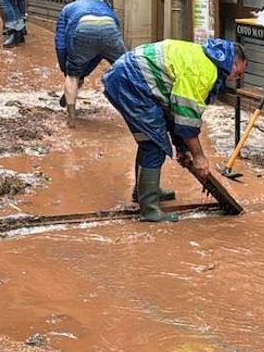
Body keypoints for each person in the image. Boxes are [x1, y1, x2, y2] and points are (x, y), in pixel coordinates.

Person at [102, 38, 247, 222]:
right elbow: (186, 119)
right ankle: (149, 210)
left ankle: (145, 192)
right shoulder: (204, 72)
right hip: (131, 81)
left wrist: (181, 147)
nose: (237, 78)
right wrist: (199, 157)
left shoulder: (206, 59)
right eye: (239, 72)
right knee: (153, 144)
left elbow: (173, 110)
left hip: (129, 77)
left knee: (149, 138)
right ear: (233, 63)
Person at [54, 0, 125, 127]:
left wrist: (68, 70)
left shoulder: (68, 8)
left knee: (72, 76)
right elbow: (100, 52)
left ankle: (71, 118)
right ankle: (138, 110)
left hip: (83, 26)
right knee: (126, 69)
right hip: (109, 26)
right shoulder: (108, 10)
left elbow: (60, 44)